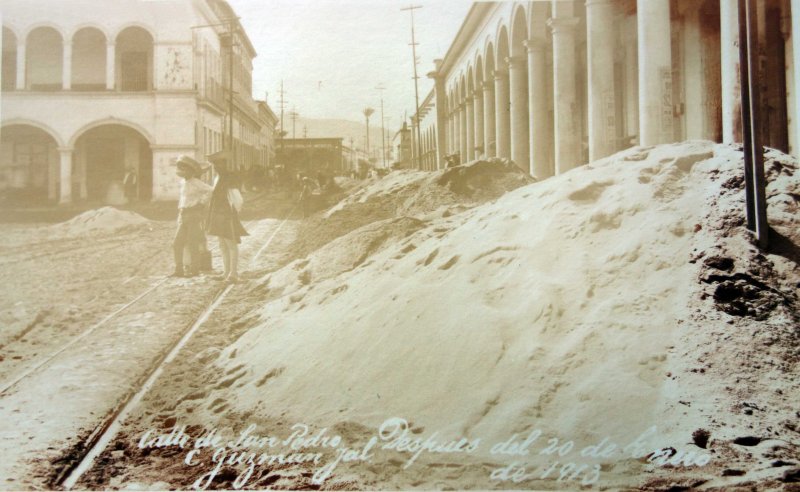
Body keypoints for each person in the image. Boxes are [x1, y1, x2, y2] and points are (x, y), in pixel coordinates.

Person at [206, 150, 248, 283]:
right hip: (217, 214)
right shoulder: (217, 178)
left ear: (224, 164)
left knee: (231, 243)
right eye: (214, 165)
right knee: (222, 244)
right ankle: (226, 273)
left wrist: (232, 212)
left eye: (218, 164)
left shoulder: (230, 177)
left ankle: (233, 274)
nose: (216, 167)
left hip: (226, 215)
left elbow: (237, 198)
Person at [172, 155, 213, 277]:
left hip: (193, 214)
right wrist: (180, 212)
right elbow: (182, 199)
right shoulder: (182, 183)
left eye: (185, 168)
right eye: (181, 168)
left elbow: (210, 191)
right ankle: (178, 269)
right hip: (183, 213)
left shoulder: (196, 182)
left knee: (192, 242)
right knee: (177, 243)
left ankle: (194, 270)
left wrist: (201, 203)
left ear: (191, 171)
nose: (182, 171)